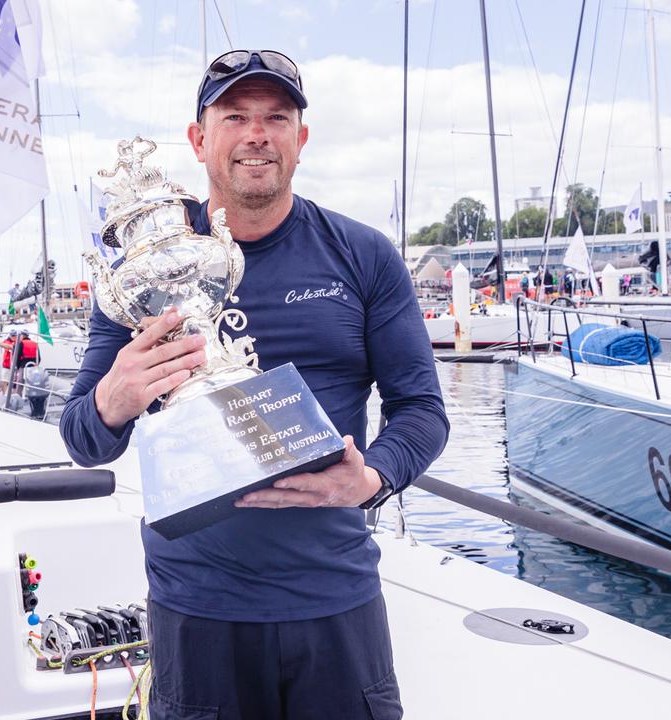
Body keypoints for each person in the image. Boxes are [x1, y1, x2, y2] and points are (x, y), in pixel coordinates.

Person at [59, 50, 448, 718]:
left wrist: (372, 479)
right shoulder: (138, 275)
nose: (256, 134)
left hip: (334, 599)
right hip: (195, 608)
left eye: (276, 116)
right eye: (235, 115)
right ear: (199, 138)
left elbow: (422, 411)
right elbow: (84, 440)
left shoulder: (362, 255)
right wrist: (114, 397)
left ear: (301, 138)